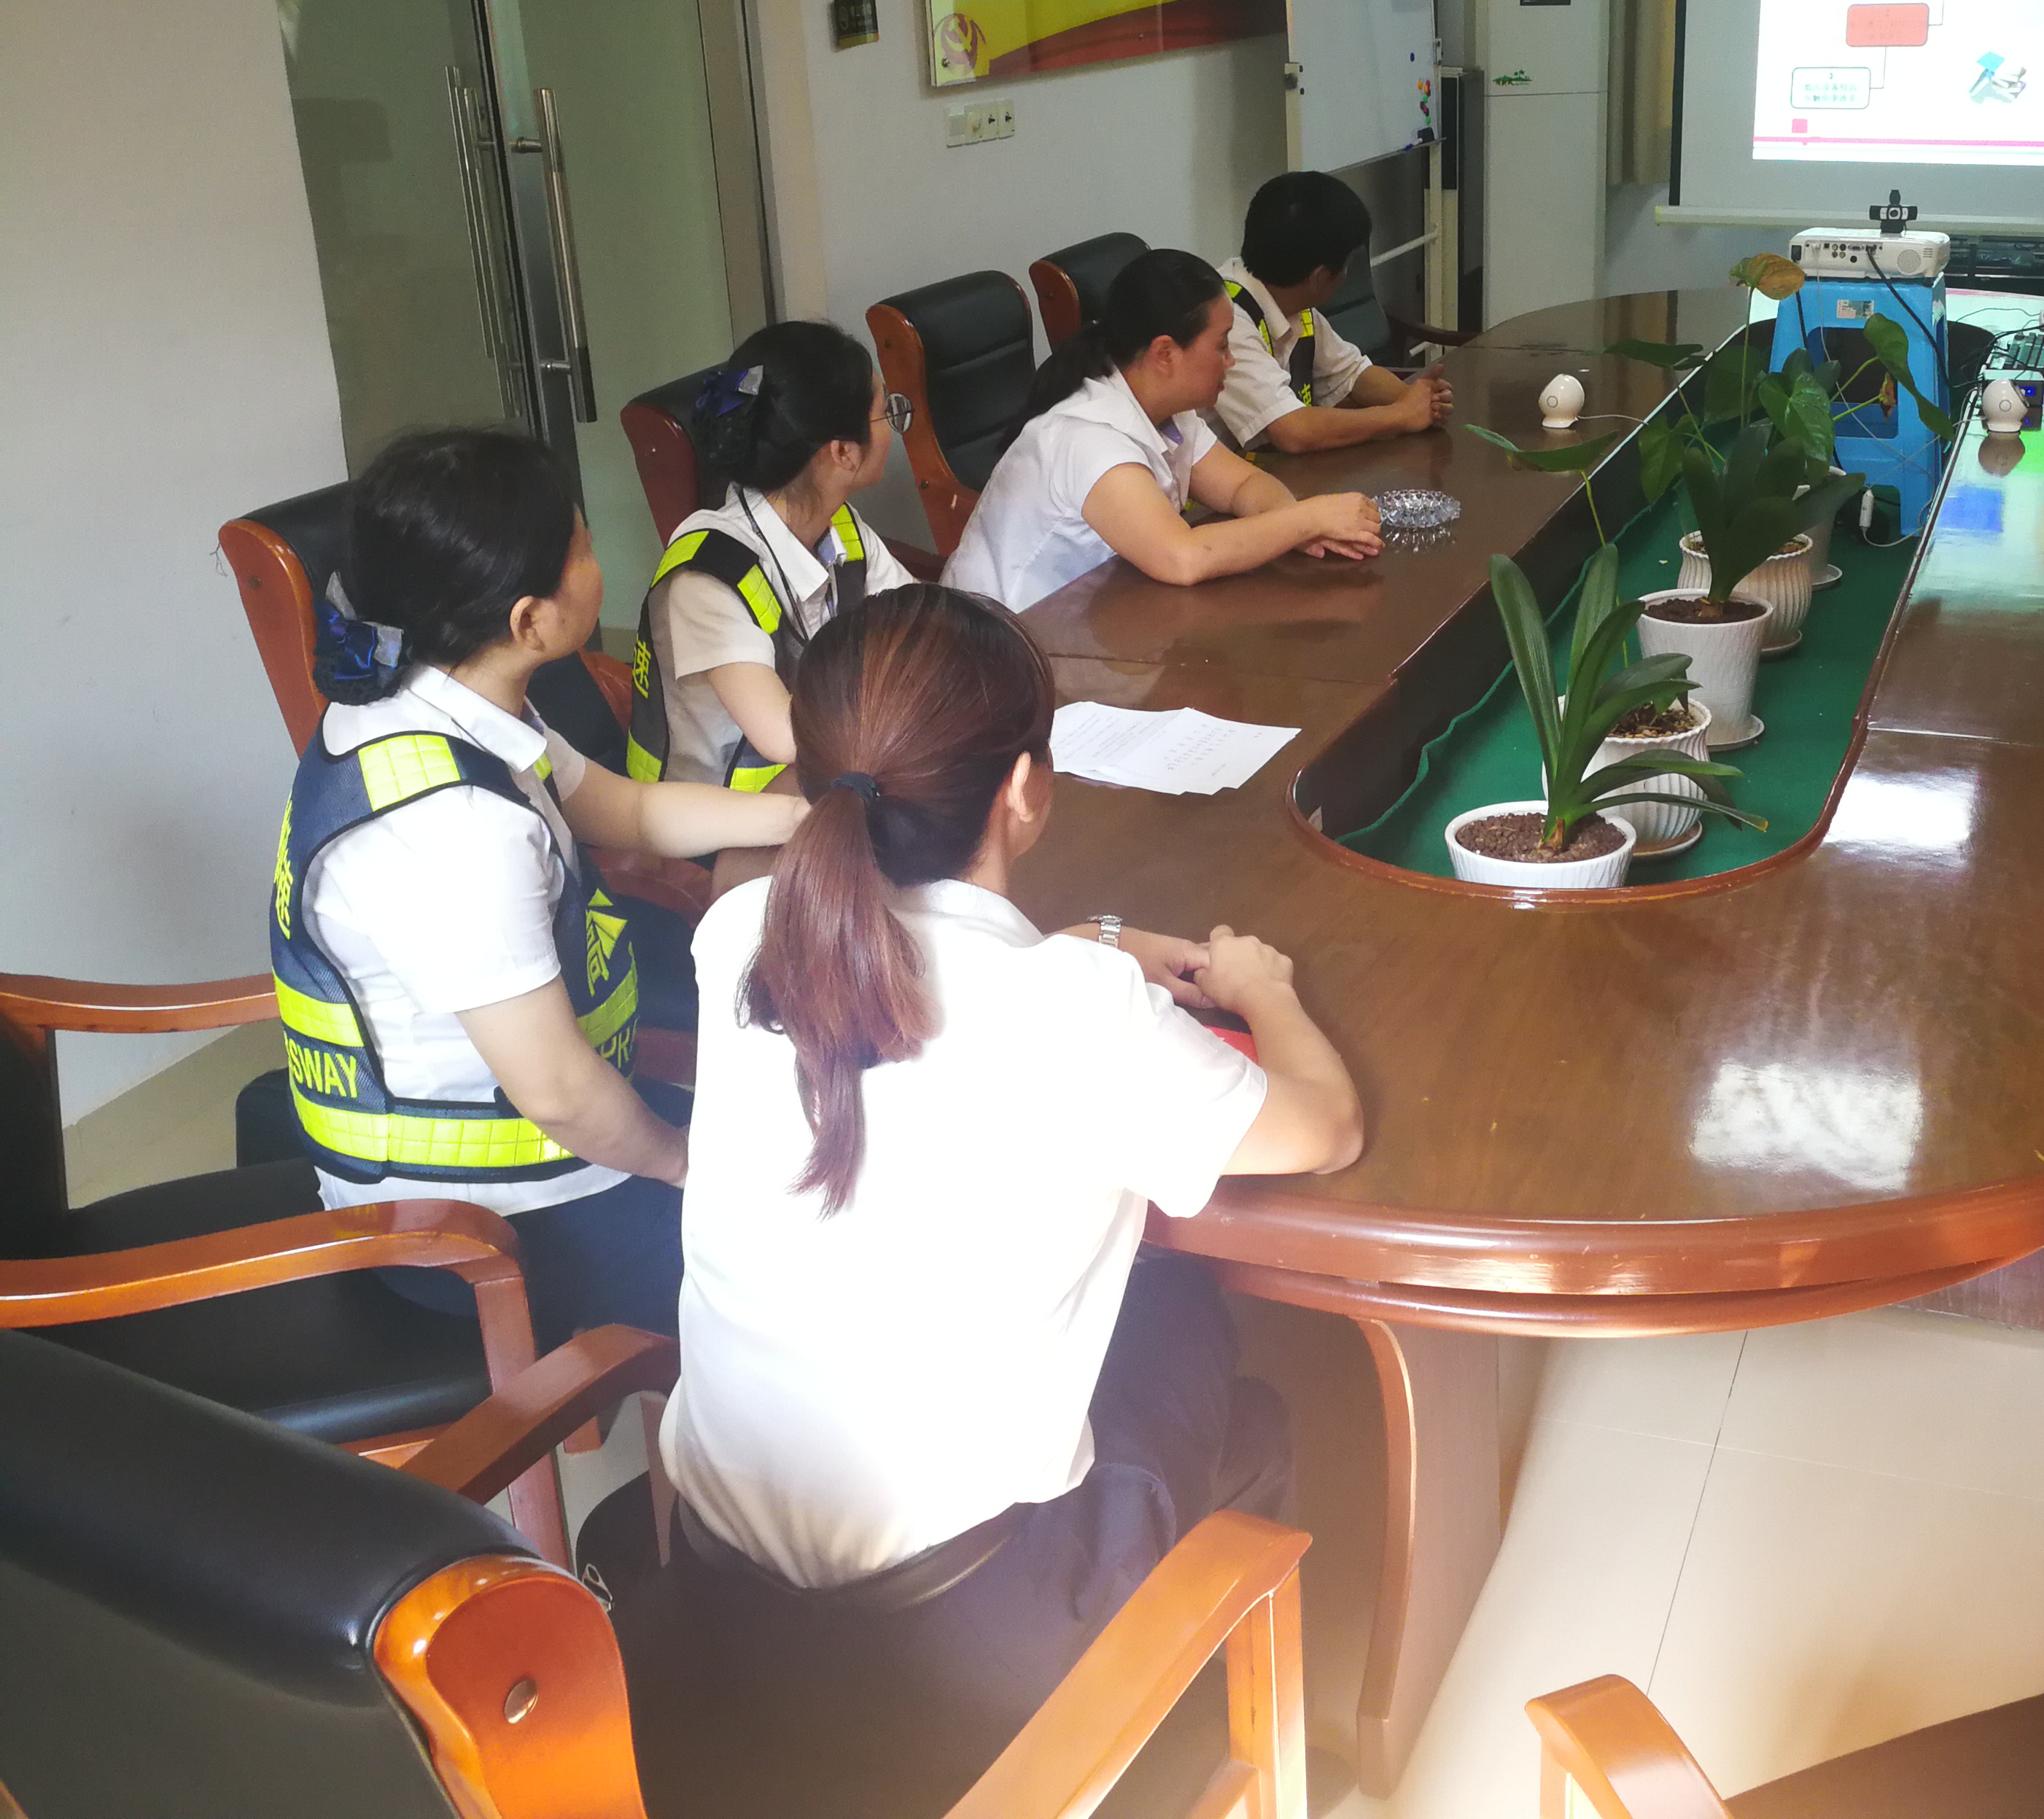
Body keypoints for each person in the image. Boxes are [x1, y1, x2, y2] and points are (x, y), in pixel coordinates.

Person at [656, 585, 1363, 1801]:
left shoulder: (740, 936)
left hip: (726, 1598)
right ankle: (1196, 1745)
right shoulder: (1069, 1012)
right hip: (974, 1620)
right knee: (1187, 1312)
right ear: (1027, 789)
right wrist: (1263, 988)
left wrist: (1084, 941)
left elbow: (919, 985)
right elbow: (1325, 1129)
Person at [273, 429, 806, 1343]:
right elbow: (557, 1092)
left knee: (799, 1148)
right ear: (531, 621)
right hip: (479, 1224)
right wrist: (687, 1164)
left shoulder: (445, 702)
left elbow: (627, 810)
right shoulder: (452, 827)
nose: (600, 565)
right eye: (584, 550)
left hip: (548, 1135)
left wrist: (800, 818)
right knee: (811, 1251)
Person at [944, 247, 1383, 612]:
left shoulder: (1169, 410)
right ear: (1165, 354)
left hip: (1100, 617)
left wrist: (1297, 529)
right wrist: (1307, 519)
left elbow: (1242, 486)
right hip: (1003, 644)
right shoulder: (1089, 437)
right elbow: (1183, 557)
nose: (1231, 360)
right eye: (1221, 345)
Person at [628, 320, 920, 795]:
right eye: (885, 412)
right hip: (716, 816)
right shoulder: (706, 574)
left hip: (815, 785)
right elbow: (783, 736)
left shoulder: (840, 524)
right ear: (843, 452)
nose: (893, 425)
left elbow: (925, 624)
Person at [1214, 171, 1453, 453]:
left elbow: (1351, 373)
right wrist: (1401, 415)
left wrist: (1417, 399)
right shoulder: (1225, 320)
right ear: (1320, 277)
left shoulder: (1291, 300)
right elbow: (1294, 431)